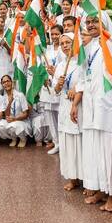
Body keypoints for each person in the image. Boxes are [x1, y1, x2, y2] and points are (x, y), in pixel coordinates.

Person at [80, 14, 112, 213]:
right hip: (92, 108)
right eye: (88, 22)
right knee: (95, 151)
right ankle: (101, 189)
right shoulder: (90, 47)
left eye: (95, 21)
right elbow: (85, 75)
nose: (91, 25)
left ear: (105, 23)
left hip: (110, 109)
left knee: (110, 152)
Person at [53, 32, 83, 191]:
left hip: (78, 106)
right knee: (67, 143)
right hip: (64, 107)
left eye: (68, 42)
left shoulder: (82, 62)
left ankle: (85, 178)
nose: (65, 45)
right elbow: (55, 90)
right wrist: (58, 84)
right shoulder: (60, 65)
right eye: (62, 43)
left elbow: (86, 82)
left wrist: (75, 88)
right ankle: (72, 178)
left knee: (79, 142)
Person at [42, 24, 63, 154]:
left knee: (60, 116)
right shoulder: (47, 49)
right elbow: (42, 66)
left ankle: (63, 141)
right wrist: (44, 76)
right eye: (52, 34)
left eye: (57, 34)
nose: (54, 36)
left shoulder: (65, 48)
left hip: (59, 86)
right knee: (49, 115)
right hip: (47, 86)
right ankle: (56, 142)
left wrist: (55, 74)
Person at [0, 74, 29, 148]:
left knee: (12, 126)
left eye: (8, 81)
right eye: (4, 82)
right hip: (10, 120)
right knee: (0, 127)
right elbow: (5, 114)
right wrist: (10, 102)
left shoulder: (20, 95)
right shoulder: (3, 98)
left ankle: (23, 139)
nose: (6, 83)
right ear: (2, 85)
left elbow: (26, 114)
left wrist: (15, 119)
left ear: (11, 82)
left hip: (22, 121)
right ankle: (13, 138)